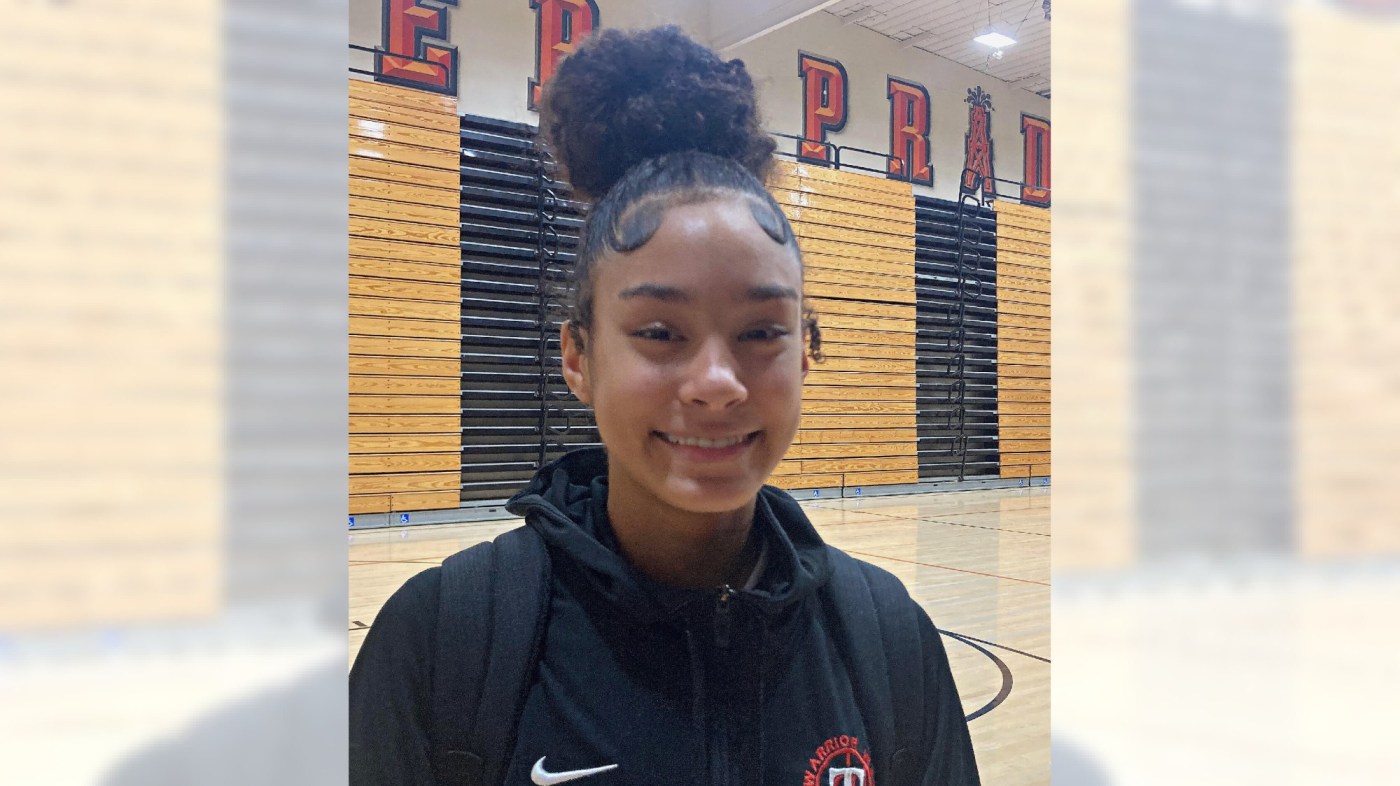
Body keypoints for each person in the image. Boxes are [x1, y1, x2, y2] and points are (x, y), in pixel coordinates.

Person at [349, 25, 980, 786]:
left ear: (807, 351)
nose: (716, 381)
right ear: (578, 357)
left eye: (760, 331)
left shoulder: (890, 638)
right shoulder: (439, 643)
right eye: (658, 332)